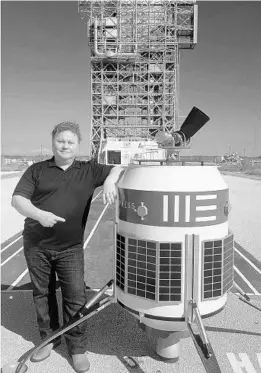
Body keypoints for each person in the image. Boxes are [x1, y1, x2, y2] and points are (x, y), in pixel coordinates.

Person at [11, 121, 124, 373]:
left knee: (75, 296)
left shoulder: (89, 170)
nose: (65, 145)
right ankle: (48, 339)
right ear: (53, 142)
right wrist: (39, 215)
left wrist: (108, 181)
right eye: (61, 141)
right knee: (43, 294)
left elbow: (118, 167)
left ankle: (77, 347)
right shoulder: (37, 170)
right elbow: (17, 200)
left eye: (70, 142)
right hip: (36, 245)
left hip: (70, 248)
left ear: (78, 145)